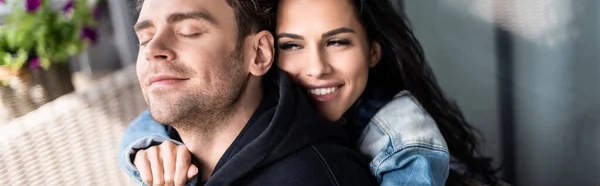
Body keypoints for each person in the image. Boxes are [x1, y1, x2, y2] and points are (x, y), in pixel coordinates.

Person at [120, 0, 500, 185]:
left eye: (337, 42)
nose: (316, 68)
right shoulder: (176, 135)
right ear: (269, 53)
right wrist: (142, 149)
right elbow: (152, 119)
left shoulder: (402, 143)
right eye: (292, 45)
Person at [123, 0, 379, 185]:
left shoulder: (313, 176)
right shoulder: (154, 160)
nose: (152, 49)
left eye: (189, 31)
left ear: (258, 53)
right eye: (144, 38)